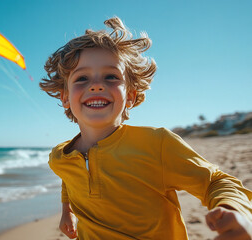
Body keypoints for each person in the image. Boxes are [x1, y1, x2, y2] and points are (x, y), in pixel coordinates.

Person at [40, 16, 252, 240]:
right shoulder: (60, 156)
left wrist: (234, 211)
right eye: (82, 78)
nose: (96, 84)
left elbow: (216, 181)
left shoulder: (156, 144)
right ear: (65, 97)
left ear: (130, 96)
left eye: (111, 76)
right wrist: (67, 211)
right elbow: (69, 178)